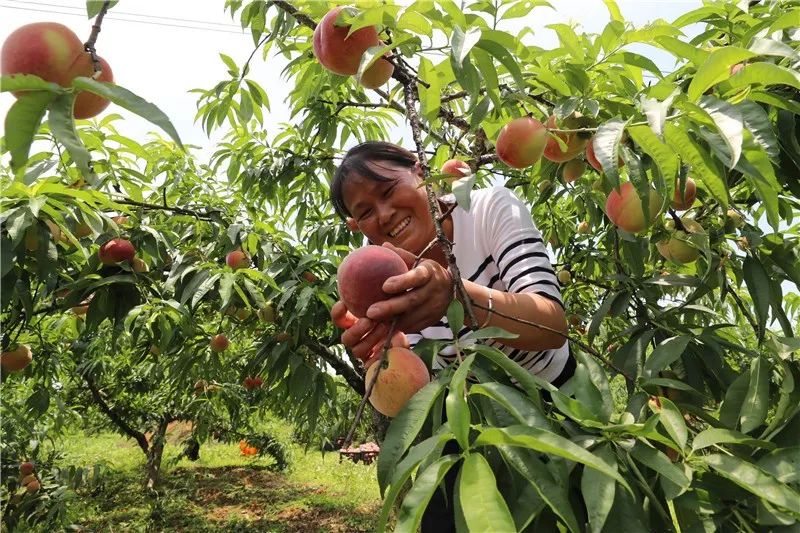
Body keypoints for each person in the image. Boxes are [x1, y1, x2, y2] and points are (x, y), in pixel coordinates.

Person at [329, 141, 574, 531]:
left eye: (389, 191)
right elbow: (409, 383)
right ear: (357, 227)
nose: (385, 214)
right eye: (366, 214)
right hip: (465, 429)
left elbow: (552, 325)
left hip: (555, 413)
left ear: (420, 170)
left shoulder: (488, 207)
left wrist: (456, 293)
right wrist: (381, 358)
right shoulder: (385, 275)